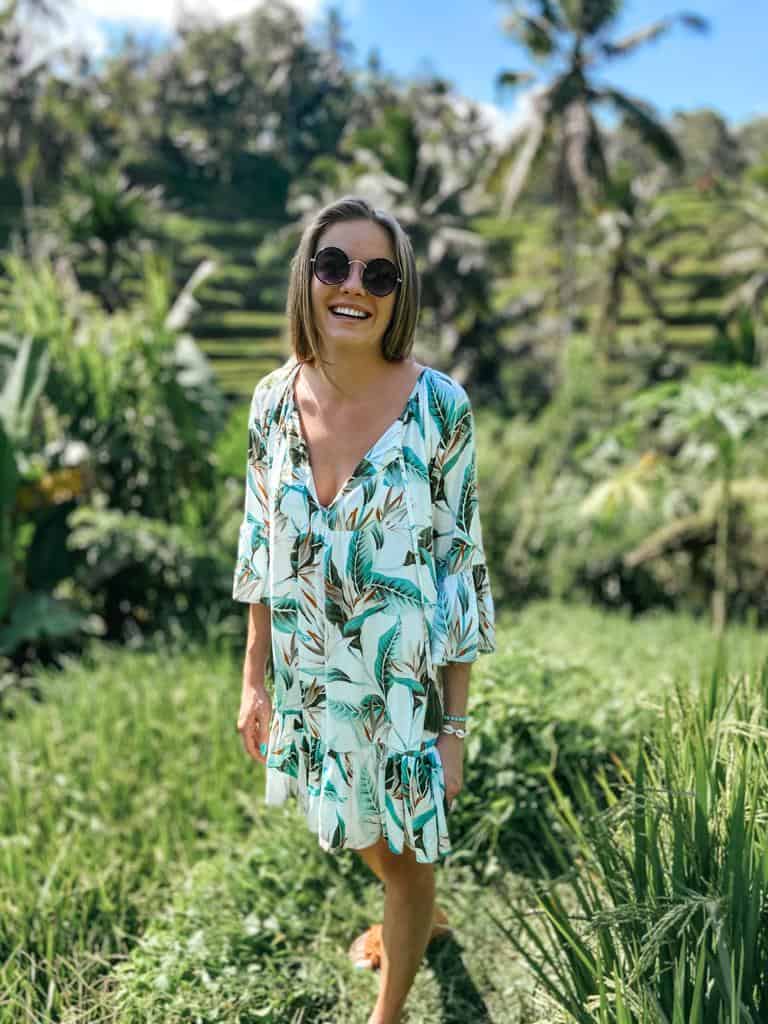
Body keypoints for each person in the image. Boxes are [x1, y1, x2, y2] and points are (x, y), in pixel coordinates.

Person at [233, 195, 496, 1024]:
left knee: (408, 856)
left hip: (403, 692)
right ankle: (418, 917)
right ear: (307, 277)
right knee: (361, 830)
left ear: (399, 293)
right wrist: (254, 677)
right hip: (310, 678)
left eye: (379, 275)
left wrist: (454, 728)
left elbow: (459, 568)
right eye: (334, 265)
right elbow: (258, 546)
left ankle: (390, 1004)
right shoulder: (271, 401)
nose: (354, 286)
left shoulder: (440, 407)